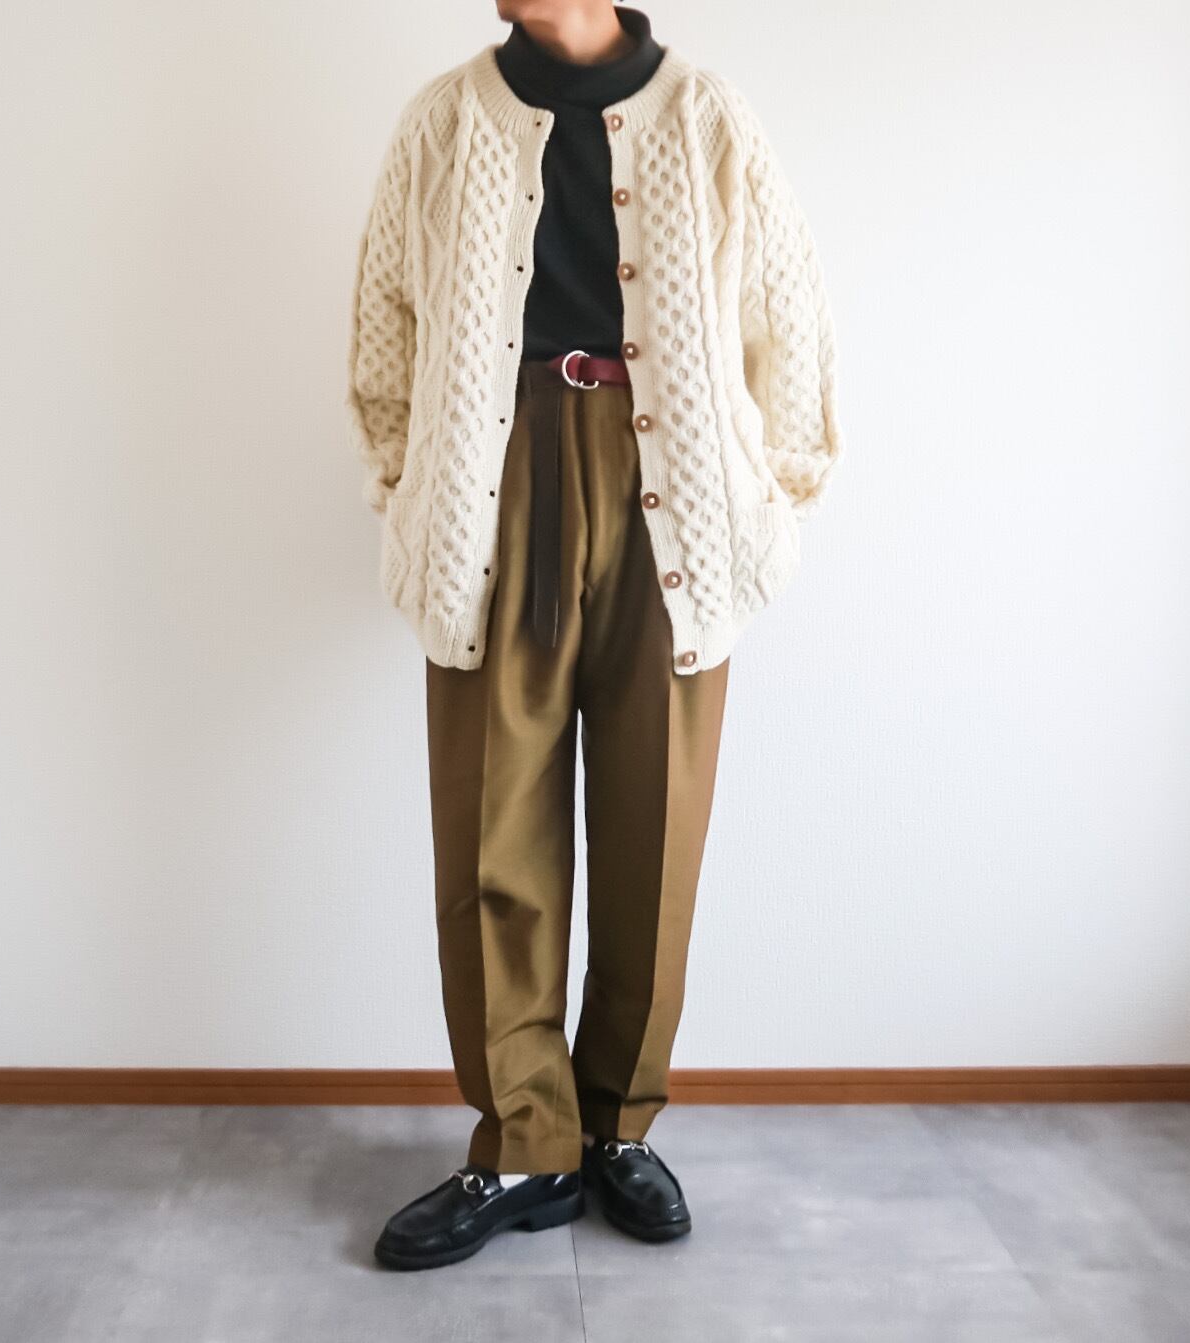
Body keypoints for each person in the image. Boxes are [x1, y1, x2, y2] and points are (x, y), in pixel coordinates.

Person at [347, 0, 842, 1271]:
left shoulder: (706, 117)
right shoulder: (445, 122)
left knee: (651, 829)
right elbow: (384, 325)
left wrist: (769, 502)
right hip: (492, 491)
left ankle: (617, 1123)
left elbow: (787, 317)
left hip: (674, 501)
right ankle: (523, 1142)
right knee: (491, 827)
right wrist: (409, 489)